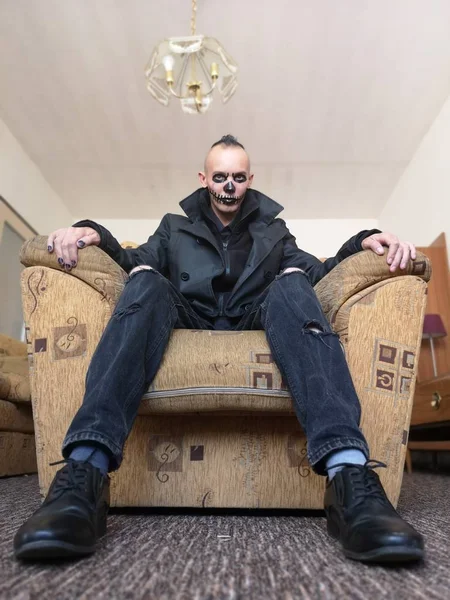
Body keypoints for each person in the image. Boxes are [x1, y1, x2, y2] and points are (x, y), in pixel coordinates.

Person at [14, 135, 424, 564]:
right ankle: (84, 474)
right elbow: (126, 258)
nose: (229, 185)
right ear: (204, 178)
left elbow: (320, 272)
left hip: (255, 317)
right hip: (187, 315)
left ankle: (349, 479)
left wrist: (366, 239)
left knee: (293, 283)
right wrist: (90, 232)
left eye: (238, 177)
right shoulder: (174, 227)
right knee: (146, 278)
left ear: (250, 180)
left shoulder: (275, 231)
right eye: (220, 176)